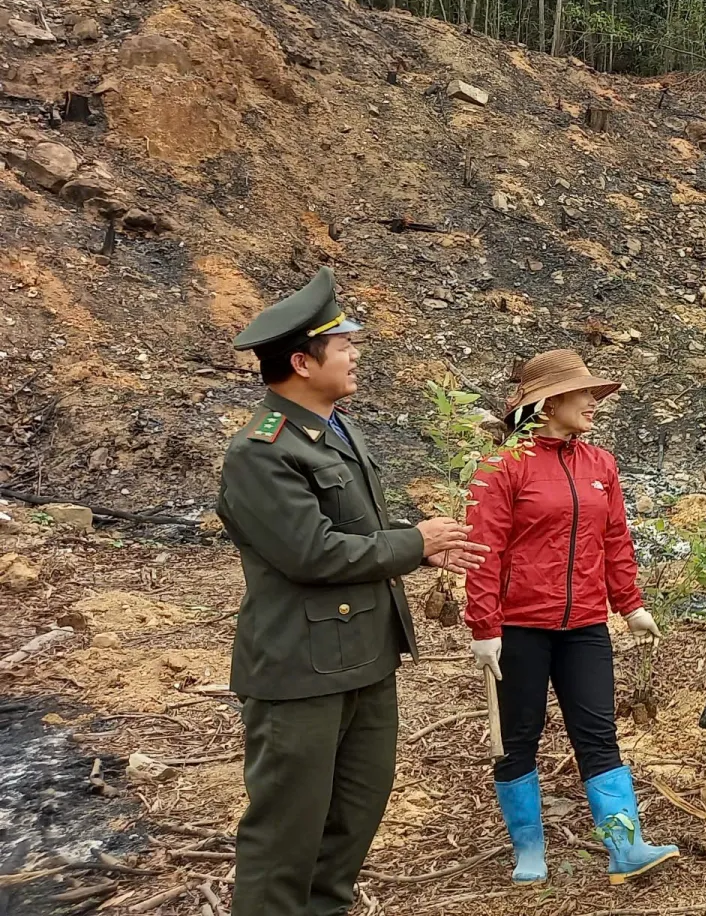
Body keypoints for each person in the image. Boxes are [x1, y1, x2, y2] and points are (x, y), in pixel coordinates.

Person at [216, 267, 488, 916]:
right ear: (303, 362)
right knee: (286, 839)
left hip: (364, 658)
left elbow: (354, 533)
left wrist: (417, 547)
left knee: (350, 825)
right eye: (343, 346)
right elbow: (311, 553)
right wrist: (412, 543)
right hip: (301, 673)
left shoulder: (335, 430)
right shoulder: (260, 451)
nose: (355, 354)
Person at [463, 349, 677, 885]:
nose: (593, 402)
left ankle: (624, 848)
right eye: (583, 393)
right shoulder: (501, 467)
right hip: (519, 627)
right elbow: (483, 550)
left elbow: (615, 541)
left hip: (584, 624)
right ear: (550, 402)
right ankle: (529, 851)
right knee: (519, 735)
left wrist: (630, 604)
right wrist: (485, 627)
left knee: (598, 733)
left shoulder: (600, 464)